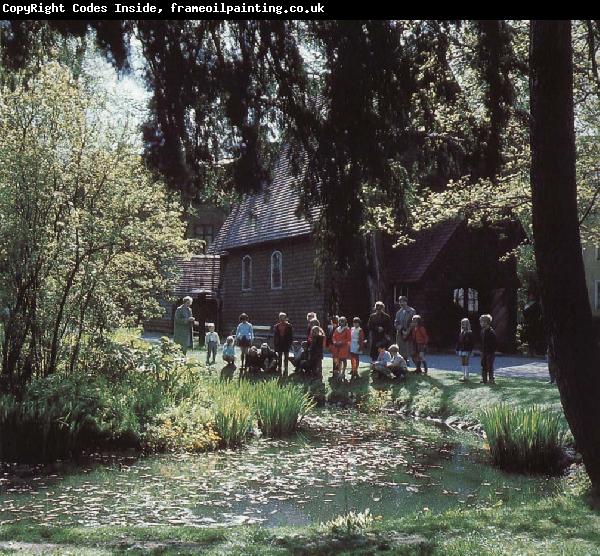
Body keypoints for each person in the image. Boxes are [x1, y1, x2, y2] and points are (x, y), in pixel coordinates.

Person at [394, 296, 416, 365]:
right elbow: (396, 323)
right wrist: (401, 330)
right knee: (401, 349)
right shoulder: (398, 312)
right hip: (400, 334)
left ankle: (418, 367)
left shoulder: (412, 311)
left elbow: (413, 322)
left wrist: (407, 331)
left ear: (406, 302)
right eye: (399, 301)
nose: (401, 303)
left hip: (409, 333)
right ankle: (404, 363)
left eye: (402, 301)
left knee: (410, 350)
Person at [480, 313, 497, 384]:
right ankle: (484, 379)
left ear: (487, 322)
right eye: (480, 322)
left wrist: (491, 351)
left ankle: (491, 379)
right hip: (484, 351)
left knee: (489, 365)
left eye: (482, 322)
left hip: (490, 352)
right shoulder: (482, 331)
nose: (481, 323)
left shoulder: (491, 332)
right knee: (483, 365)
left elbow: (494, 343)